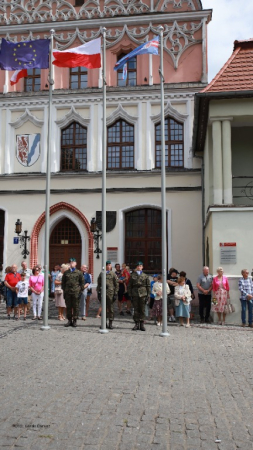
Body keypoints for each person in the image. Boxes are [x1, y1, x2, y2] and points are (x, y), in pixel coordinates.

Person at [128, 261, 150, 331]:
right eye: (138, 266)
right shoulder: (132, 275)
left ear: (142, 267)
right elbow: (129, 286)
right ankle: (136, 323)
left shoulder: (145, 276)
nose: (139, 267)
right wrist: (130, 294)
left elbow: (148, 286)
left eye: (140, 266)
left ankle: (142, 324)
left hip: (143, 293)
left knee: (142, 309)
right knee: (136, 309)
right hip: (135, 293)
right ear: (136, 267)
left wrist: (148, 295)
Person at [62, 258, 84, 327]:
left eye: (73, 262)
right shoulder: (66, 273)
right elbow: (63, 283)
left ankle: (75, 320)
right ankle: (69, 320)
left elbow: (82, 283)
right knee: (68, 307)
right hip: (68, 292)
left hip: (76, 292)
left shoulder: (79, 272)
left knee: (75, 306)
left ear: (76, 263)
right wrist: (65, 291)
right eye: (70, 262)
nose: (71, 263)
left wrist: (80, 290)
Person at [97, 260, 119, 329]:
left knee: (111, 309)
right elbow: (99, 284)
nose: (109, 266)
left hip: (110, 293)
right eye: (107, 265)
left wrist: (115, 293)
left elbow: (116, 284)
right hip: (103, 293)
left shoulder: (113, 274)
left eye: (110, 265)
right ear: (105, 266)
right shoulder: (102, 273)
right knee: (104, 309)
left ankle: (110, 323)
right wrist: (98, 292)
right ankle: (104, 323)